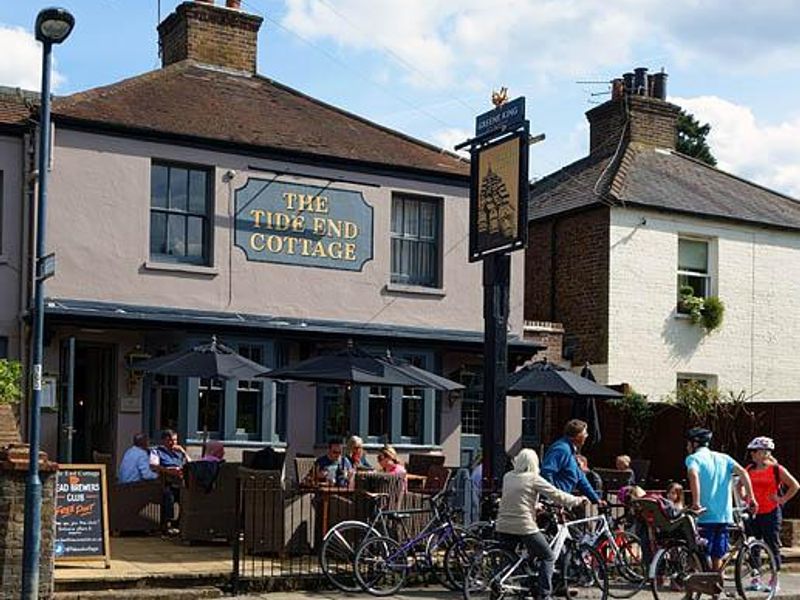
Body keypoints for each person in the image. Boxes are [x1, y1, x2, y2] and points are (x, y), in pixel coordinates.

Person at [495, 449, 587, 600]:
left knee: (511, 560)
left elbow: (517, 497)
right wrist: (577, 500)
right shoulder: (533, 478)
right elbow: (557, 495)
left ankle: (516, 587)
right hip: (523, 525)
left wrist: (535, 505)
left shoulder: (508, 477)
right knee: (548, 556)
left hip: (503, 524)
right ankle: (544, 595)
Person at [685, 427, 757, 572]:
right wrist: (751, 498)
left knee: (698, 552)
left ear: (694, 444)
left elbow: (693, 474)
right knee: (718, 554)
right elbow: (743, 472)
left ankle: (695, 583)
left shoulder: (693, 458)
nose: (687, 447)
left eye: (688, 444)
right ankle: (716, 585)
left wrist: (696, 502)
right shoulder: (724, 458)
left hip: (704, 515)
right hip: (724, 515)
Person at [744, 436, 799, 589]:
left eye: (755, 451)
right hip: (753, 512)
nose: (752, 454)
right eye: (752, 451)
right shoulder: (749, 469)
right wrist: (744, 497)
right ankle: (756, 578)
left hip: (770, 512)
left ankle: (775, 579)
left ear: (765, 452)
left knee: (772, 546)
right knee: (752, 546)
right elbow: (741, 484)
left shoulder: (776, 469)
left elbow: (794, 485)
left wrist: (782, 499)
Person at [541, 419, 602, 506]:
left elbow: (580, 478)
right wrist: (553, 496)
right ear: (577, 436)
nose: (586, 436)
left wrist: (596, 499)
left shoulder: (571, 451)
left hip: (563, 500)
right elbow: (547, 471)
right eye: (585, 434)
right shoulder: (562, 449)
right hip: (556, 502)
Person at [150, 429, 191, 534]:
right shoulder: (156, 451)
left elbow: (191, 465)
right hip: (165, 482)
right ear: (163, 441)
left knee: (188, 497)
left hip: (180, 482)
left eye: (175, 440)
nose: (173, 443)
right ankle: (167, 524)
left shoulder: (178, 452)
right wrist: (168, 471)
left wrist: (183, 452)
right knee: (169, 496)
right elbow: (153, 466)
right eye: (170, 440)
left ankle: (179, 524)